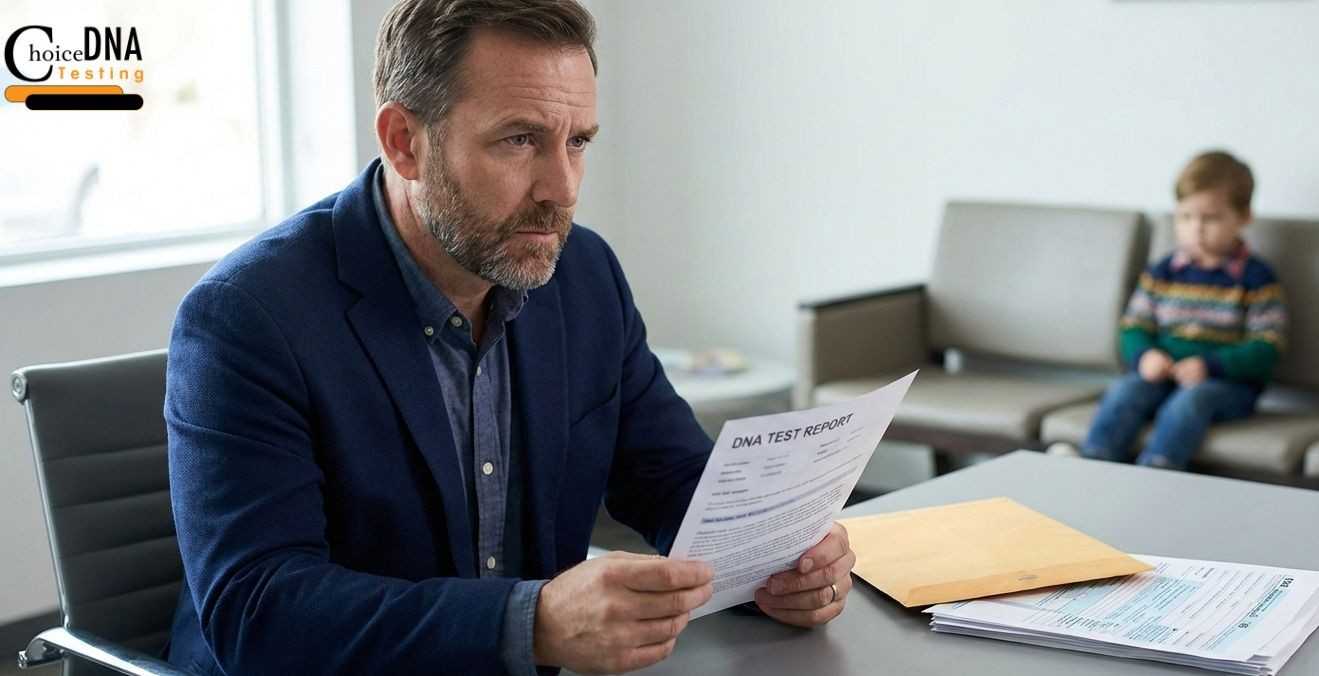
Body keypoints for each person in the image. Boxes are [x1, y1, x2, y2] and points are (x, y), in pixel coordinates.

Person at [163, 2, 856, 674]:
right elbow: (257, 611)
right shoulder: (248, 315)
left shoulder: (584, 274)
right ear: (404, 142)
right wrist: (531, 624)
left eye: (577, 141)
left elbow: (667, 473)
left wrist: (776, 556)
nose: (562, 188)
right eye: (519, 140)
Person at [1059, 151, 1286, 469]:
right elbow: (1134, 327)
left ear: (1244, 216)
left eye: (1211, 218)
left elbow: (1267, 346)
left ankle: (1157, 472)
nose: (1197, 229)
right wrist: (1145, 356)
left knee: (1191, 402)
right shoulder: (1163, 272)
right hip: (1163, 377)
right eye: (1186, 217)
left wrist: (1210, 366)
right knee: (1124, 390)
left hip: (1228, 386)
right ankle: (1092, 464)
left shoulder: (1256, 278)